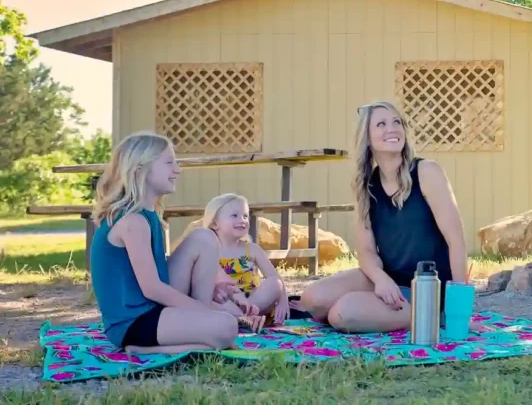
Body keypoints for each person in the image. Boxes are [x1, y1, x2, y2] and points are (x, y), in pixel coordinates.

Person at [300, 101, 469, 333]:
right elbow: (366, 251)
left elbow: (456, 242)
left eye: (396, 122)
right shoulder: (365, 186)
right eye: (381, 124)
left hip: (428, 288)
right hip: (389, 281)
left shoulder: (427, 172)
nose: (392, 129)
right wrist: (380, 280)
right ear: (367, 138)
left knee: (342, 313)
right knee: (312, 298)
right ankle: (381, 311)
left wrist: (458, 312)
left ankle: (433, 315)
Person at [90, 131, 240, 354]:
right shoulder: (133, 221)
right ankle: (145, 347)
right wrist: (203, 312)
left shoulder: (148, 216)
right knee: (227, 326)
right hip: (133, 322)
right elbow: (152, 288)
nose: (177, 170)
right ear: (140, 169)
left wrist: (210, 288)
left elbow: (154, 269)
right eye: (169, 163)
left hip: (152, 308)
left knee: (204, 237)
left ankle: (200, 324)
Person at [203, 193, 290, 329]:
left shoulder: (252, 249)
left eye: (245, 216)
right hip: (225, 302)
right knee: (210, 296)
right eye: (234, 216)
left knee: (275, 283)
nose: (242, 220)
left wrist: (283, 301)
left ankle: (246, 317)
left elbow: (274, 276)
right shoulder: (208, 250)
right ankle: (242, 318)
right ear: (214, 223)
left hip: (256, 303)